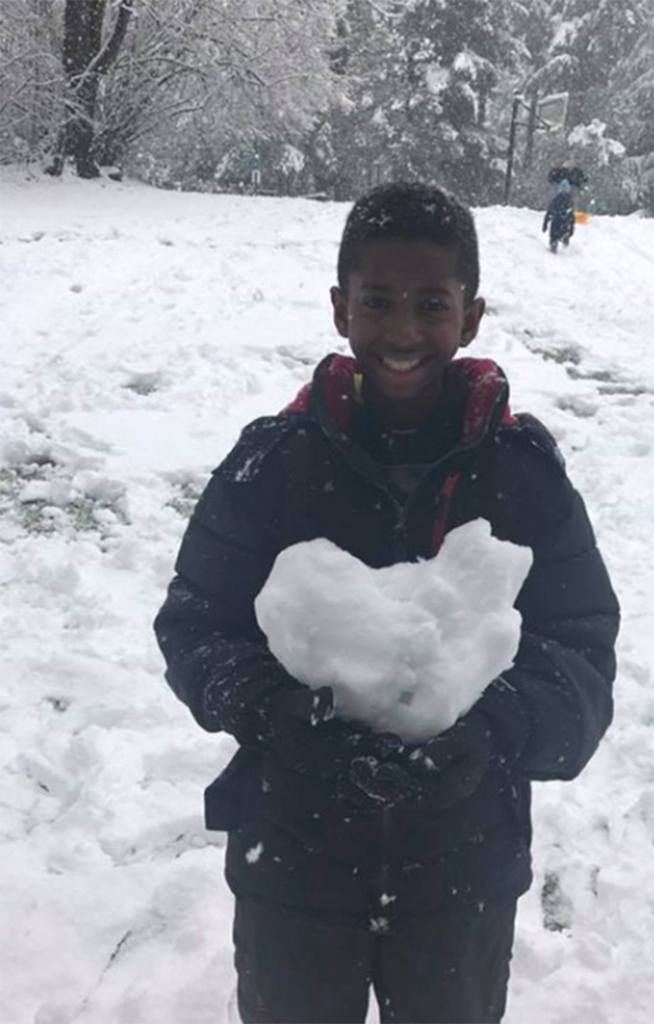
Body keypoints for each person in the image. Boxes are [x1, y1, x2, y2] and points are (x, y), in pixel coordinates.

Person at [154, 181, 619, 1024]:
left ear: (469, 317)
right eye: (377, 302)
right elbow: (197, 622)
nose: (402, 331)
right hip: (294, 859)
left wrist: (489, 737)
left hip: (460, 868)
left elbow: (579, 653)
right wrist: (271, 713)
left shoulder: (521, 477)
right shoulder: (272, 465)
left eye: (430, 305)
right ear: (341, 308)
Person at [543, 178, 576, 253]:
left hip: (556, 222)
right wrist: (571, 228)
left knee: (554, 235)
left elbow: (549, 211)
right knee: (564, 232)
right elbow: (572, 215)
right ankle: (565, 240)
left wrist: (545, 223)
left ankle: (554, 244)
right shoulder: (570, 201)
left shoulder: (556, 199)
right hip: (565, 223)